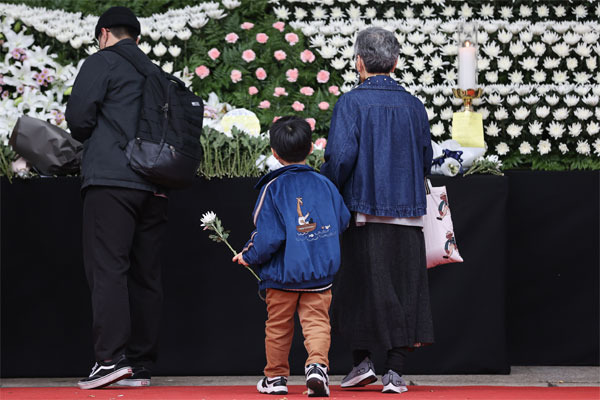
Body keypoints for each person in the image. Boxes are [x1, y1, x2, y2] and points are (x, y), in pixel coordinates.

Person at [320, 27, 434, 394]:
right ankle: (395, 372)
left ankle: (361, 364)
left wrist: (329, 190)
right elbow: (425, 159)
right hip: (408, 212)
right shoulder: (415, 106)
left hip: (362, 211)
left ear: (359, 62)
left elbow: (339, 158)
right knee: (405, 289)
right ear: (396, 62)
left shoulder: (351, 103)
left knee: (356, 289)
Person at [65, 6, 167, 390]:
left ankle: (110, 359)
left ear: (104, 33)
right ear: (137, 38)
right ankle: (139, 364)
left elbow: (79, 120)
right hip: (157, 184)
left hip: (113, 180)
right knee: (146, 273)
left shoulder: (102, 61)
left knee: (108, 267)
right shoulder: (157, 73)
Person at [233, 116, 350, 397]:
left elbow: (269, 236)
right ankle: (317, 367)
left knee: (278, 327)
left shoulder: (272, 188)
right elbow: (342, 220)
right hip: (319, 274)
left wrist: (247, 256)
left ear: (274, 151)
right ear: (311, 148)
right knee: (317, 323)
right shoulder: (326, 185)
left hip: (281, 276)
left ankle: (275, 379)